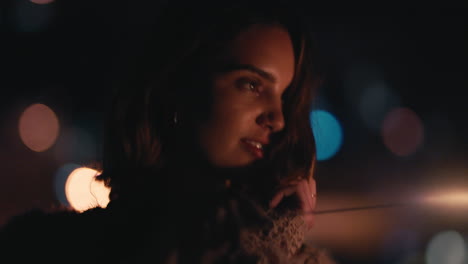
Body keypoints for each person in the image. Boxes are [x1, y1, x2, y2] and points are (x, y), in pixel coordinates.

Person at [0, 1, 335, 263]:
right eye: (251, 84)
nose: (277, 119)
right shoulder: (43, 248)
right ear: (179, 86)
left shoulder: (298, 257)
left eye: (284, 96)